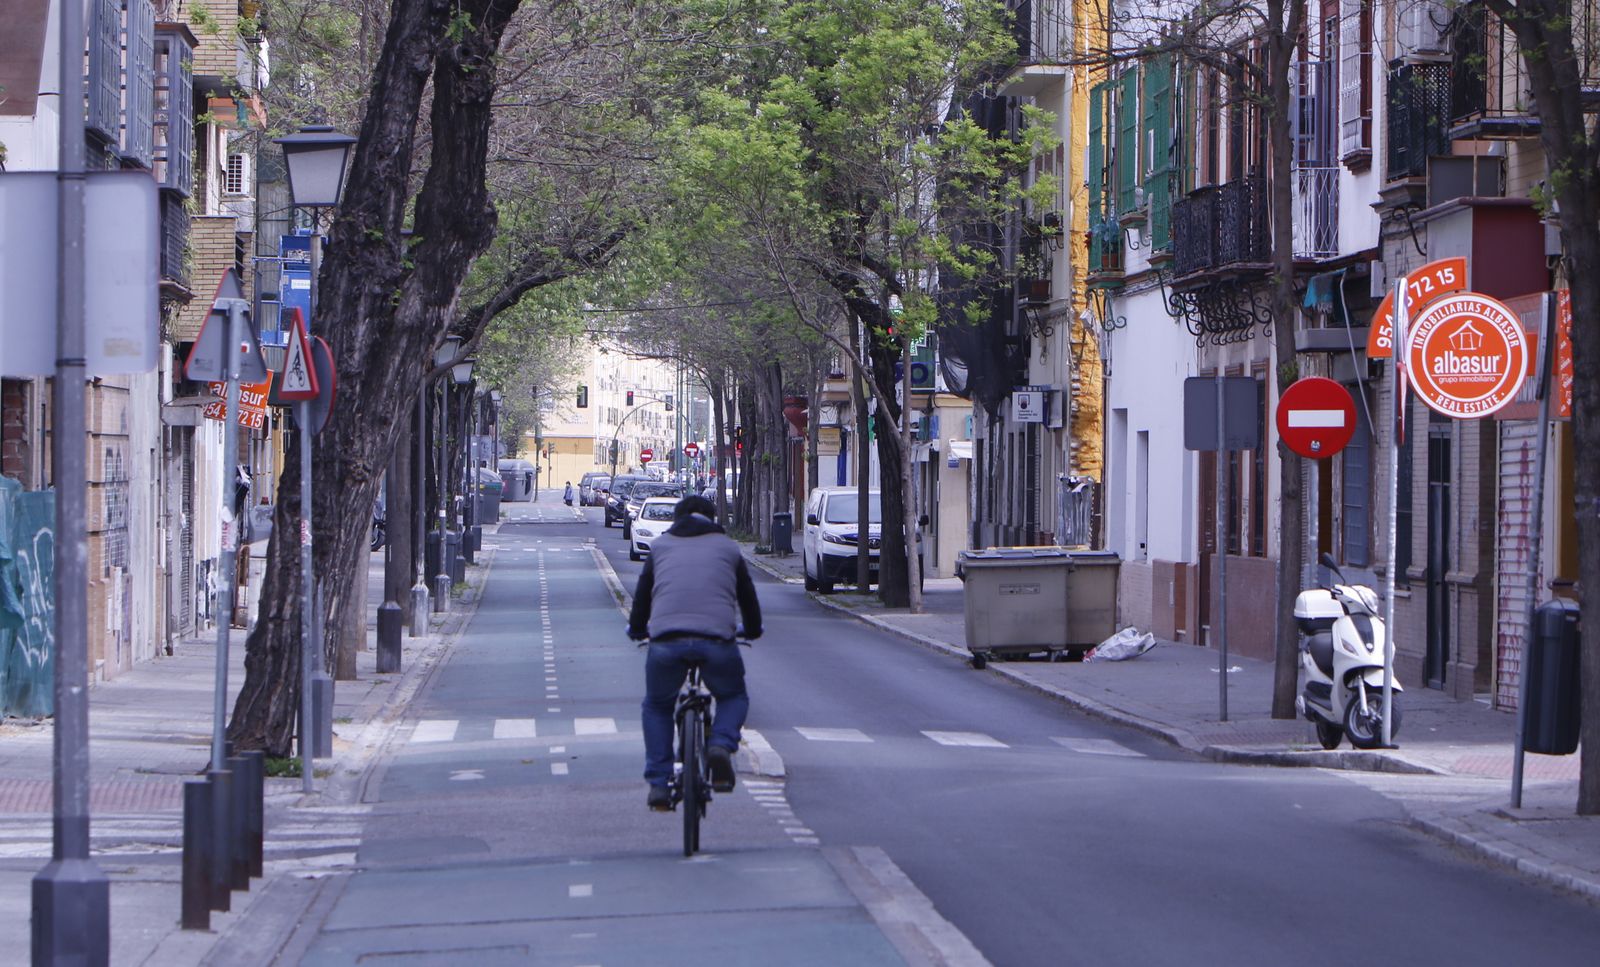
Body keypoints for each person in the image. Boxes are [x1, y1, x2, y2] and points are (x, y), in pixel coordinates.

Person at [627, 495, 762, 810]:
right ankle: (720, 744)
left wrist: (637, 629)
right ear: (713, 519)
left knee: (658, 707)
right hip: (717, 641)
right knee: (732, 697)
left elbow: (643, 597)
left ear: (676, 519)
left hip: (666, 642)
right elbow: (748, 597)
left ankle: (659, 784)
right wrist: (752, 629)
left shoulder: (660, 547)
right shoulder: (729, 548)